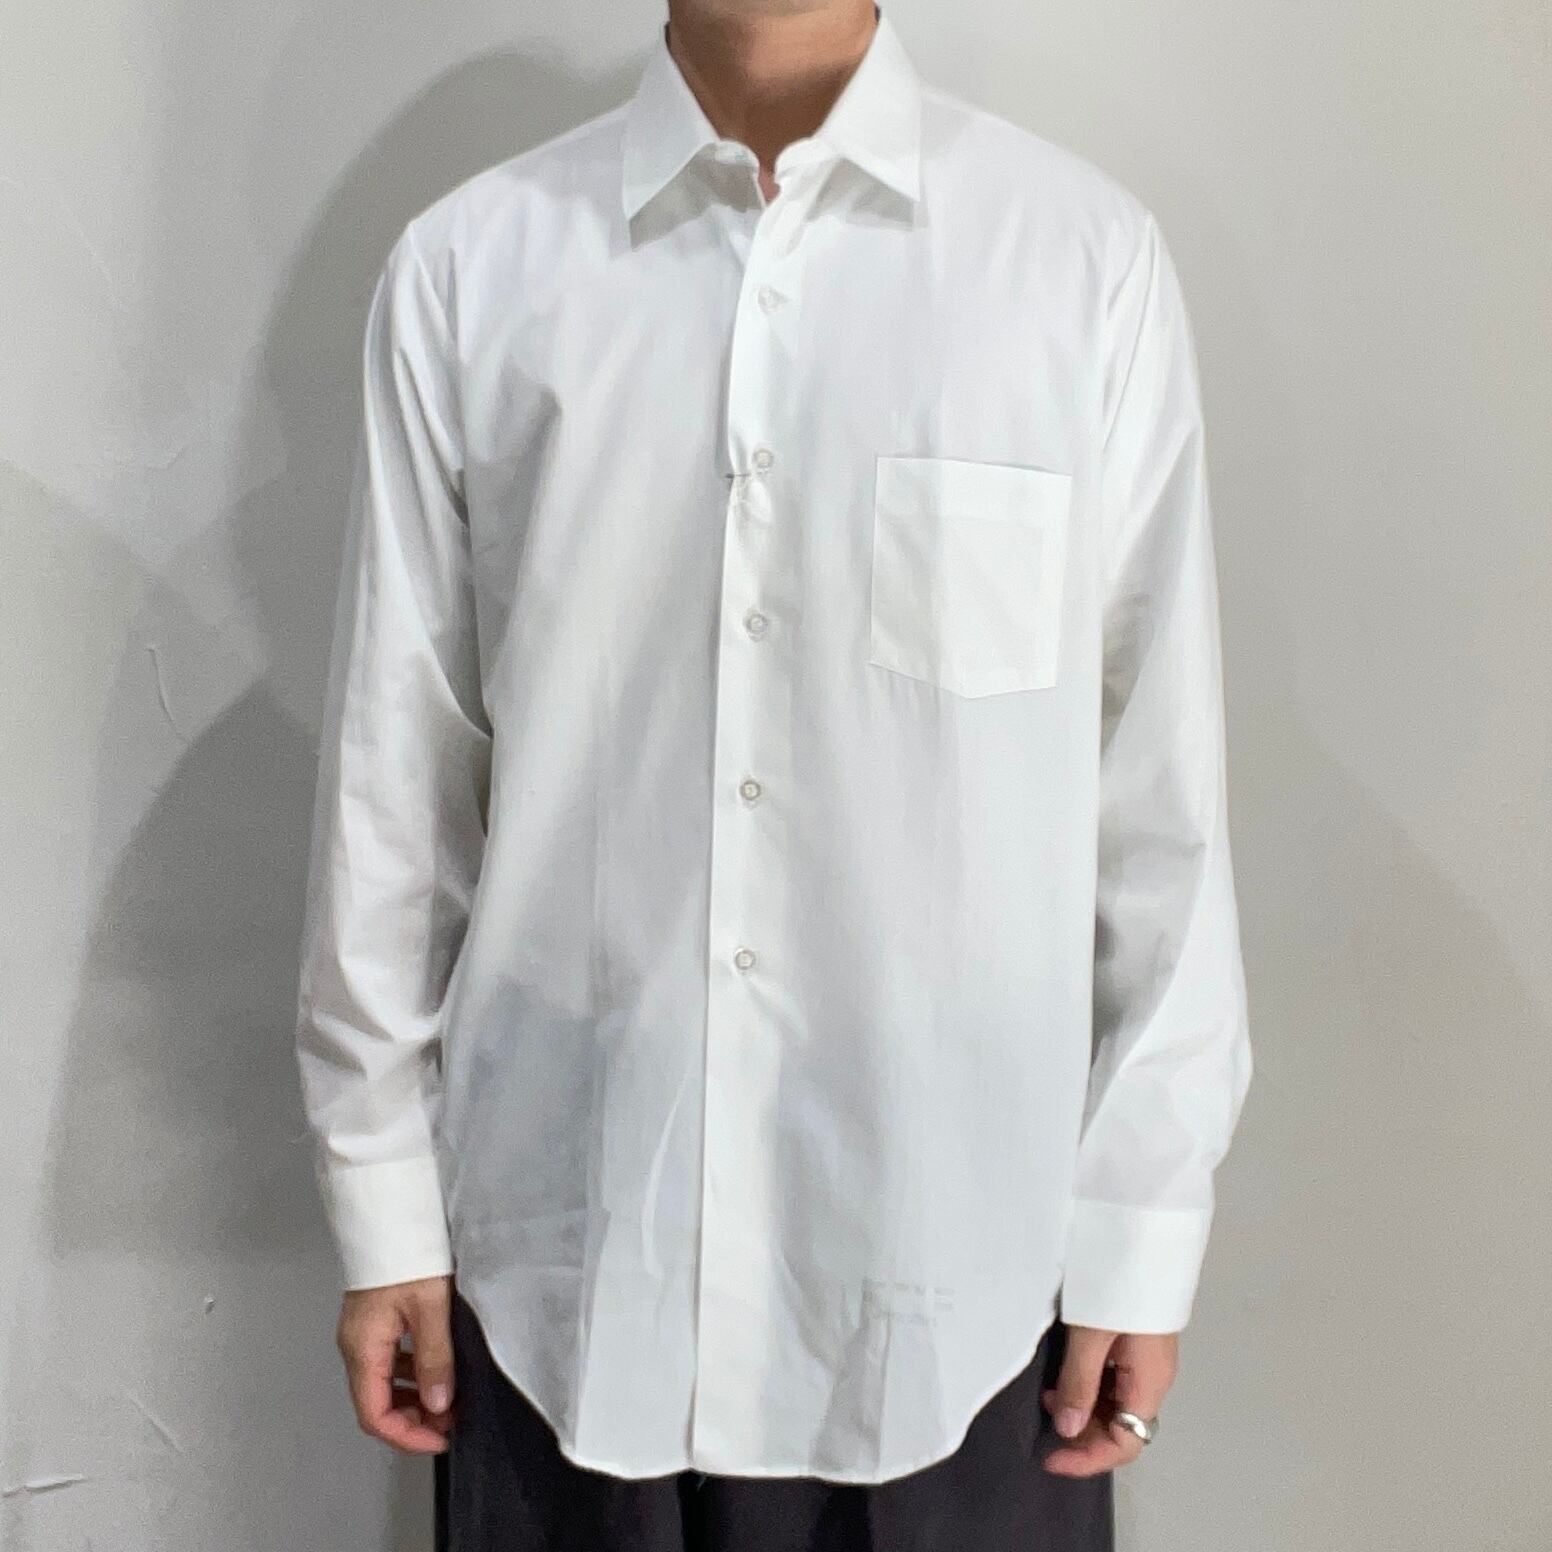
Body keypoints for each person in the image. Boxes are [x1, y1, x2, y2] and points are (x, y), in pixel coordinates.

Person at [293, 2, 1253, 1547]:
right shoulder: (472, 271)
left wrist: (1142, 1219)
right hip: (565, 1279)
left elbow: (1158, 791)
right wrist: (381, 1195)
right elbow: (399, 775)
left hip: (961, 1288)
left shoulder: (1076, 266)